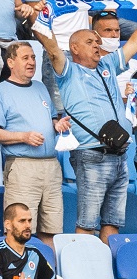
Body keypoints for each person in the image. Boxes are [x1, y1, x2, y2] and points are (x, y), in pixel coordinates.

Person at [31, 22, 137, 242]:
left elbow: (134, 42)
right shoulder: (68, 71)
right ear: (74, 49)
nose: (97, 45)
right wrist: (42, 19)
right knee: (87, 224)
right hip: (92, 156)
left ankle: (106, 272)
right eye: (90, 42)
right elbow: (51, 48)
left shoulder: (107, 63)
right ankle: (86, 271)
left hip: (120, 156)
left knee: (112, 223)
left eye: (98, 41)